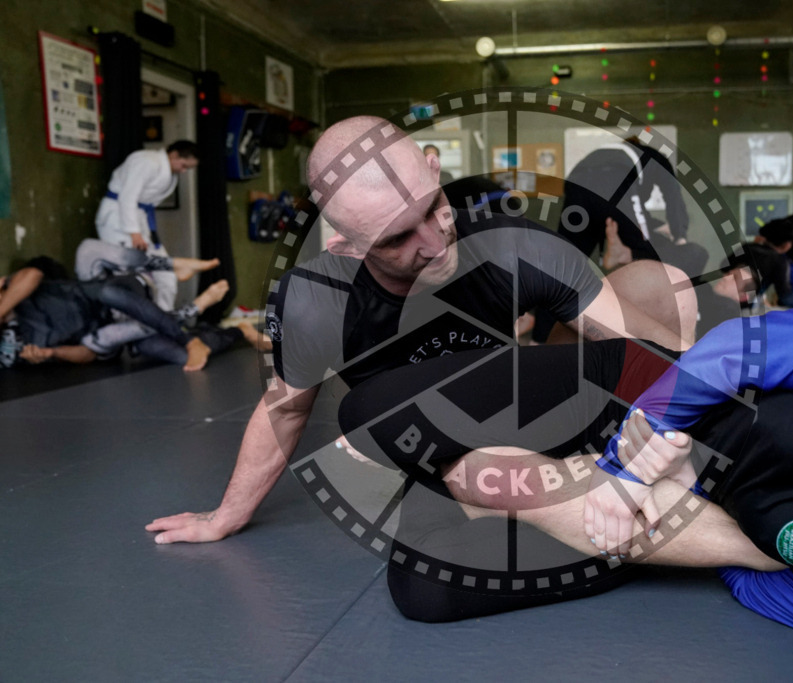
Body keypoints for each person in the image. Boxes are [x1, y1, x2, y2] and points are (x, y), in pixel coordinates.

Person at [145, 115, 697, 549]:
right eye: (396, 240)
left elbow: (639, 352)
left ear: (434, 169)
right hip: (444, 450)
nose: (434, 246)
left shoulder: (513, 243)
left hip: (515, 396)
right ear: (346, 246)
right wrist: (226, 515)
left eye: (433, 209)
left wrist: (674, 434)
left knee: (659, 282)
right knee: (476, 472)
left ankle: (652, 460)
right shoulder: (316, 301)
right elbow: (286, 411)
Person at [338, 306, 793, 647]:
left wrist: (678, 511)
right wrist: (622, 474)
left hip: (672, 515)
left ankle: (470, 477)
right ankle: (488, 467)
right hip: (640, 391)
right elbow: (737, 347)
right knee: (370, 410)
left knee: (426, 584)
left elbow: (739, 572)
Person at [531, 137, 707, 343]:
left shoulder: (607, 154)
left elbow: (623, 211)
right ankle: (624, 257)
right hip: (616, 179)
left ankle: (538, 340)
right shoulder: (652, 156)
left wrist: (655, 226)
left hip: (576, 186)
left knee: (562, 268)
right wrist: (679, 236)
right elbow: (672, 195)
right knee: (652, 262)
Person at [0, 254, 230, 371]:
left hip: (114, 294)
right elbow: (87, 354)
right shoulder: (18, 350)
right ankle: (238, 331)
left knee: (109, 289)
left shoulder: (19, 292)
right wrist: (51, 354)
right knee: (178, 357)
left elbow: (31, 275)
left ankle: (181, 286)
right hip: (108, 334)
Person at [95, 140, 200, 311]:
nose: (184, 171)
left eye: (188, 168)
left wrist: (140, 231)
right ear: (174, 155)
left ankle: (164, 319)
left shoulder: (168, 172)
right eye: (184, 165)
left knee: (166, 273)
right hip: (118, 220)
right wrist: (133, 232)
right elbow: (127, 197)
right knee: (127, 273)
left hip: (140, 219)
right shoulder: (146, 162)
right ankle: (129, 324)